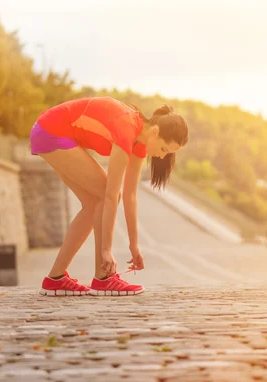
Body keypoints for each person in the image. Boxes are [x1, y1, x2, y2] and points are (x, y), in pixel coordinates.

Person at [30, 96, 189, 296]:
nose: (162, 156)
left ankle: (56, 278)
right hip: (50, 131)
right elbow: (112, 196)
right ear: (156, 132)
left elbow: (131, 195)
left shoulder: (140, 142)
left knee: (92, 204)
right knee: (103, 192)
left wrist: (134, 245)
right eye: (164, 149)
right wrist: (106, 249)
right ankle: (103, 278)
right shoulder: (127, 129)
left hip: (49, 132)